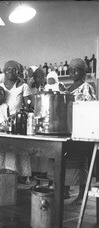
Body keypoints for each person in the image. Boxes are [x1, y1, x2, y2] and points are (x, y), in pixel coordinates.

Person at [64, 58, 96, 206]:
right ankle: (65, 189)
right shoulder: (67, 88)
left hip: (82, 130)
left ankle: (82, 194)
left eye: (76, 69)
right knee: (69, 160)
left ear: (84, 71)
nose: (72, 72)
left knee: (82, 162)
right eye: (70, 69)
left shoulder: (87, 87)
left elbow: (89, 109)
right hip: (70, 129)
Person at [0, 60, 33, 184]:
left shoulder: (23, 86)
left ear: (18, 71)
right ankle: (0, 176)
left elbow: (29, 105)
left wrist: (21, 113)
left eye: (13, 69)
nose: (10, 71)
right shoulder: (0, 86)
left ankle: (18, 176)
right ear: (4, 71)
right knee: (0, 149)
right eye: (7, 69)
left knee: (16, 149)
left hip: (17, 122)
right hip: (1, 123)